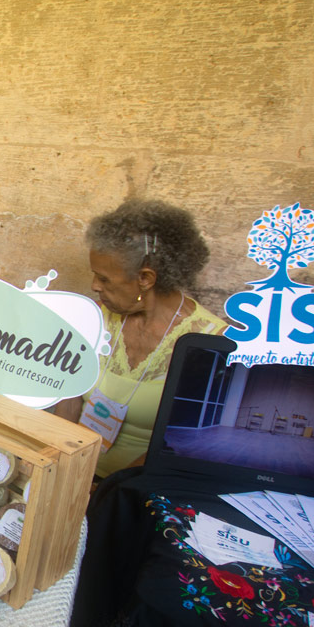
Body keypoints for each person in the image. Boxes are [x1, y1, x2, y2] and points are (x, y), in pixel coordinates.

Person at [56, 199, 226, 478]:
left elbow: (181, 443)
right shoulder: (98, 316)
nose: (94, 286)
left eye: (104, 278)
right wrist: (62, 465)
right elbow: (70, 396)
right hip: (73, 471)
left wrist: (105, 491)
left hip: (133, 488)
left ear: (145, 278)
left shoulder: (207, 342)